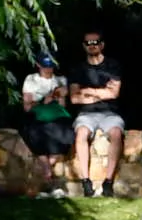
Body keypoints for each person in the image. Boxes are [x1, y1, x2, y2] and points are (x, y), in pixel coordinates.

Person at [69, 30, 125, 197]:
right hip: (86, 114)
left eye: (96, 42)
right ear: (83, 46)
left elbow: (114, 94)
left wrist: (87, 91)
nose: (92, 45)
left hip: (110, 112)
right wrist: (101, 93)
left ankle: (108, 182)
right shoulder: (77, 69)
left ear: (102, 44)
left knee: (116, 133)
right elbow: (74, 98)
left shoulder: (113, 65)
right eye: (88, 43)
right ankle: (86, 182)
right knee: (81, 134)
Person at [19, 52, 75, 196]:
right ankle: (47, 169)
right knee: (34, 131)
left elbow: (63, 106)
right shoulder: (31, 79)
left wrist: (60, 96)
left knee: (65, 133)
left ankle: (48, 167)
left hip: (56, 116)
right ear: (38, 65)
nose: (49, 69)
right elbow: (27, 106)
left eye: (51, 66)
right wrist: (44, 99)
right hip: (37, 115)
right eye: (45, 66)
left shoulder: (61, 80)